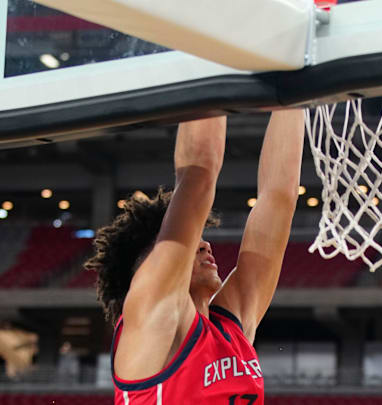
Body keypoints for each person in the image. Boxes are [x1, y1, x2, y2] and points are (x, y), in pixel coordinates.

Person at [86, 110, 305, 404]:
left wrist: (293, 98)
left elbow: (279, 196)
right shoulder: (152, 312)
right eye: (190, 243)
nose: (203, 245)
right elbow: (197, 176)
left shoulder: (229, 328)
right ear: (146, 269)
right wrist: (214, 74)